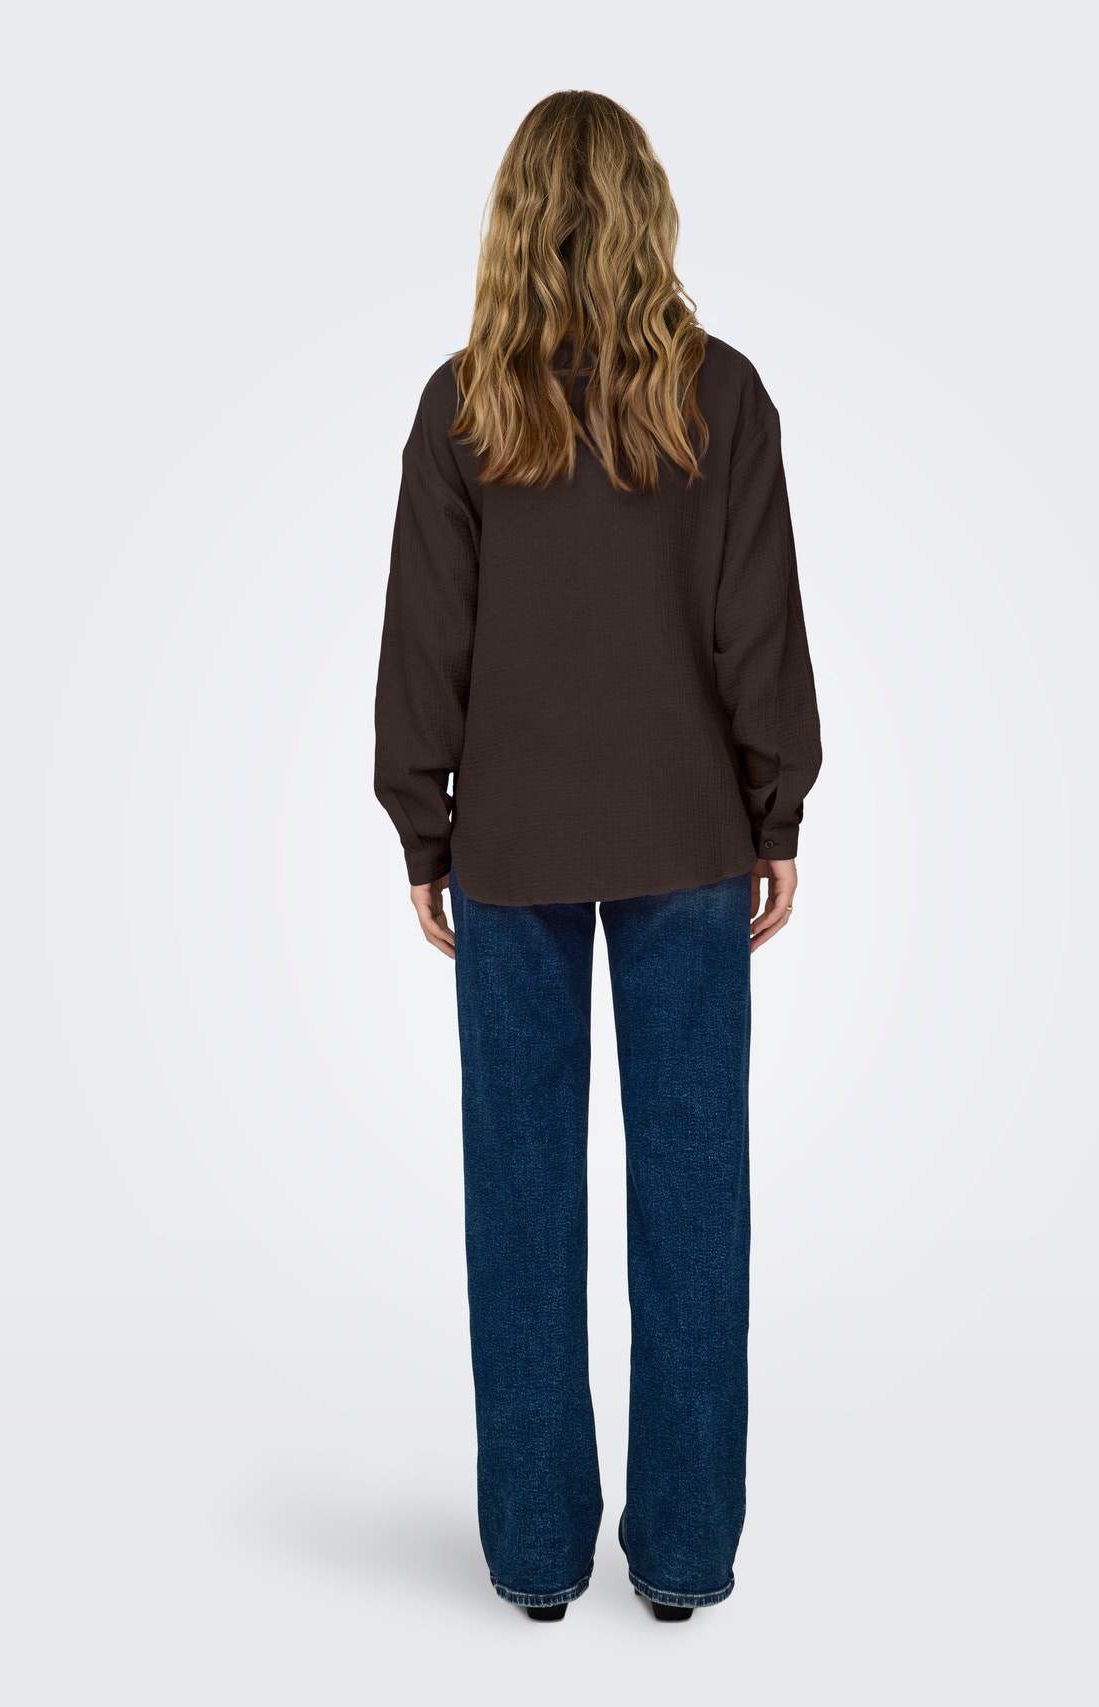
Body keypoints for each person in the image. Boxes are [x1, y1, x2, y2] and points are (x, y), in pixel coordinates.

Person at [372, 89, 822, 1623]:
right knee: (695, 1199)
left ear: (515, 220)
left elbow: (425, 643)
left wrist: (423, 826)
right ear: (648, 209)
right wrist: (775, 813)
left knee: (521, 1203)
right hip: (690, 836)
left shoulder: (467, 407)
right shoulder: (721, 398)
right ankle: (683, 1556)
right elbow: (757, 626)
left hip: (507, 846)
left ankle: (535, 1555)